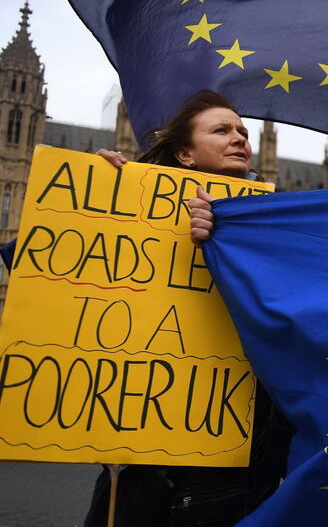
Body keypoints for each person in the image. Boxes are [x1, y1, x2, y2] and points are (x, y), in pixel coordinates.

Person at [3, 91, 292, 527]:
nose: (238, 138)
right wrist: (95, 195)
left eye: (243, 131)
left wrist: (227, 237)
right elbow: (41, 266)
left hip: (235, 470)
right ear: (184, 153)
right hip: (140, 473)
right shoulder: (134, 207)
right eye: (221, 130)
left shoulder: (278, 218)